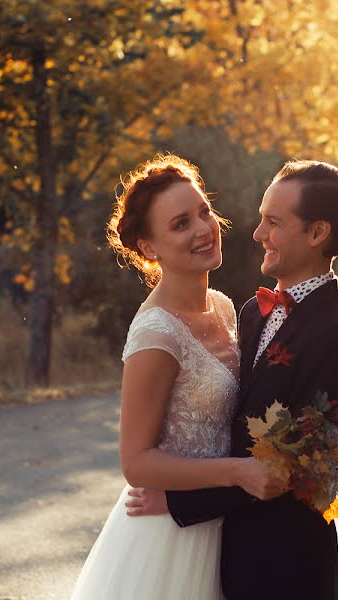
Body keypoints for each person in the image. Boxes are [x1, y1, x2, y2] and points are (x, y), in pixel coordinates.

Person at [125, 160, 338, 600]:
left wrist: (180, 503)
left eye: (273, 222)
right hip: (220, 547)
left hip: (284, 564)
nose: (256, 233)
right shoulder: (249, 311)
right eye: (260, 219)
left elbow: (294, 471)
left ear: (317, 234)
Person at [70, 154, 285, 600]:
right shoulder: (155, 334)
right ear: (150, 247)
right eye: (181, 223)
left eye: (204, 211)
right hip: (171, 538)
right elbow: (136, 462)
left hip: (227, 525)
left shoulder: (225, 308)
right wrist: (238, 472)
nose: (204, 229)